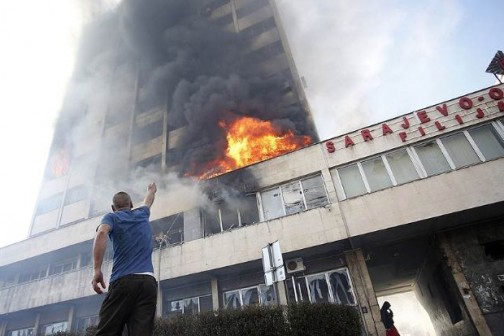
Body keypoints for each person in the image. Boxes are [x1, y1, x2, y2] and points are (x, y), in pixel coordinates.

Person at [92, 182, 158, 335]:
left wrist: (97, 270)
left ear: (113, 208)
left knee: (107, 331)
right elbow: (148, 200)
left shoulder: (112, 217)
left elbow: (101, 233)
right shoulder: (142, 213)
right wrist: (151, 190)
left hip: (123, 281)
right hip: (148, 283)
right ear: (132, 205)